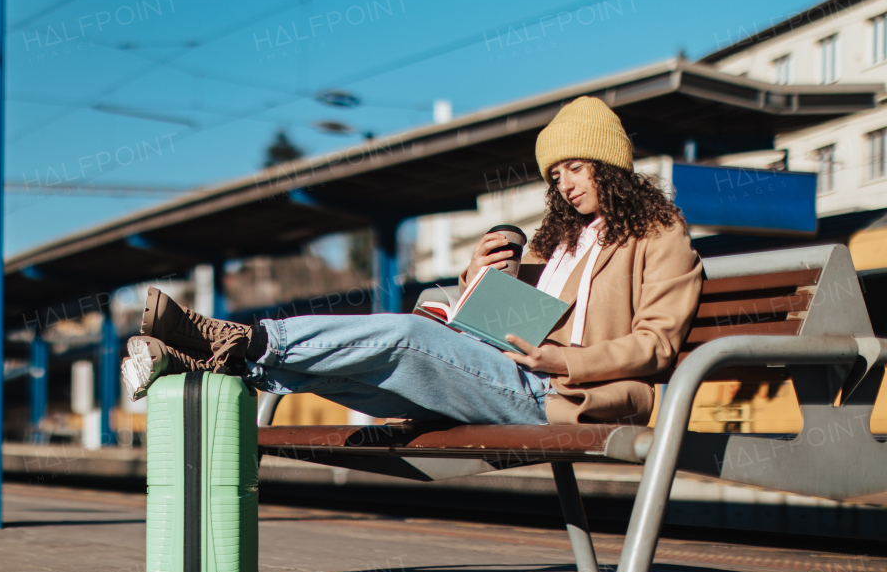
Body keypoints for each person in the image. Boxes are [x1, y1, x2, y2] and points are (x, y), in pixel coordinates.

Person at [120, 95, 704, 426]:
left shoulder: (658, 234)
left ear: (609, 164)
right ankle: (209, 361)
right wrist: (475, 277)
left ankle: (236, 340)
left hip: (560, 392)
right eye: (556, 175)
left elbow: (656, 343)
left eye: (576, 167)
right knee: (373, 355)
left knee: (400, 334)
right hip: (500, 371)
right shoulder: (558, 244)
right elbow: (510, 317)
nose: (567, 185)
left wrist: (566, 361)